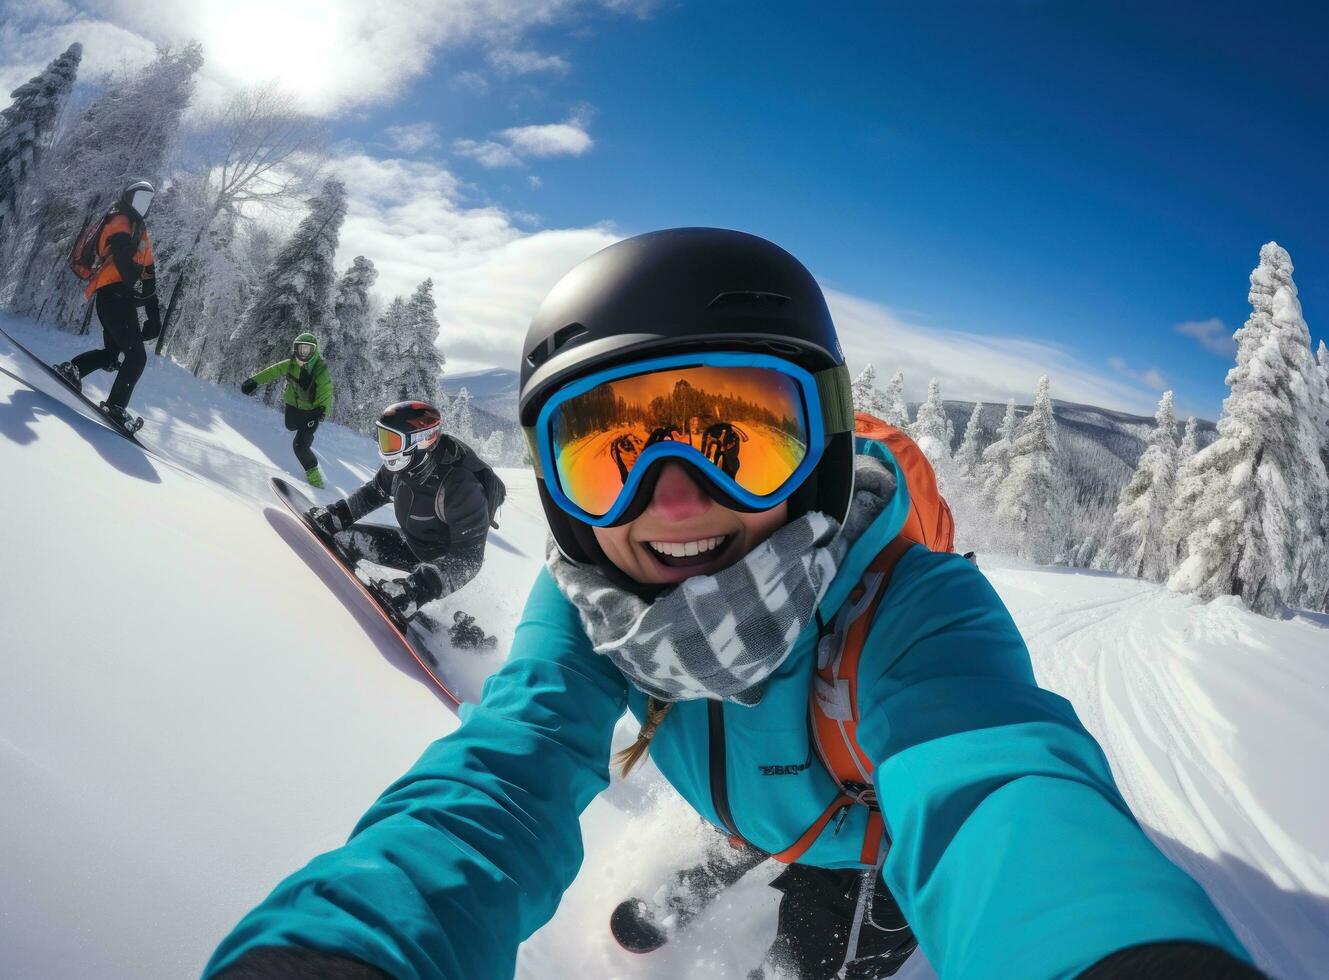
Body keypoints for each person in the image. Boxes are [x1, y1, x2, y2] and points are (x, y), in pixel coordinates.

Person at [207, 230, 1260, 980]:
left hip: (857, 847)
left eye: (737, 441)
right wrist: (345, 951)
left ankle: (777, 881)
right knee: (743, 816)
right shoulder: (593, 598)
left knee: (810, 957)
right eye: (609, 450)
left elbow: (999, 785)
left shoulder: (914, 606)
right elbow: (505, 771)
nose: (670, 502)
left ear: (822, 449)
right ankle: (723, 851)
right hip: (747, 791)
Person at [305, 400, 505, 623]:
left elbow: (469, 558)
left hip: (443, 567)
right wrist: (339, 515)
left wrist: (418, 589)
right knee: (347, 538)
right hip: (412, 544)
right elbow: (374, 492)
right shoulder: (403, 465)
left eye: (392, 441)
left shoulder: (462, 486)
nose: (385, 449)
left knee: (450, 613)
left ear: (421, 441)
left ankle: (460, 629)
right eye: (383, 438)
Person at [55, 179, 161, 429]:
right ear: (128, 198)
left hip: (118, 299)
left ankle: (74, 369)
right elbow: (125, 261)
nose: (143, 206)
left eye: (148, 201)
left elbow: (149, 275)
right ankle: (116, 406)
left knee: (113, 356)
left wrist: (154, 317)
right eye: (139, 199)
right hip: (113, 296)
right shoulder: (120, 220)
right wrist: (138, 290)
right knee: (136, 357)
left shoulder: (141, 233)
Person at [239, 333, 333, 488]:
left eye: (308, 350)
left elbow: (327, 391)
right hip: (293, 406)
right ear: (295, 349)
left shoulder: (320, 370)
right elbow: (273, 371)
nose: (303, 353)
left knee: (300, 446)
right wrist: (254, 381)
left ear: (314, 351)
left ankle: (315, 479)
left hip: (311, 411)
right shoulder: (290, 364)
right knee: (290, 426)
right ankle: (304, 440)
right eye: (300, 349)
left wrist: (321, 411)